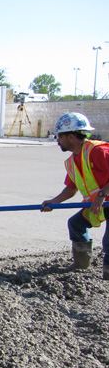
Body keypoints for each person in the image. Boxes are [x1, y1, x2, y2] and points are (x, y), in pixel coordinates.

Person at [41, 112, 109, 279]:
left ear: (71, 137)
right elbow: (71, 189)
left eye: (59, 137)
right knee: (76, 224)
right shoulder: (72, 161)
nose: (57, 141)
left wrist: (102, 194)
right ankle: (81, 265)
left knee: (108, 243)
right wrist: (53, 202)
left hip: (103, 201)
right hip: (99, 205)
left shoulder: (98, 151)